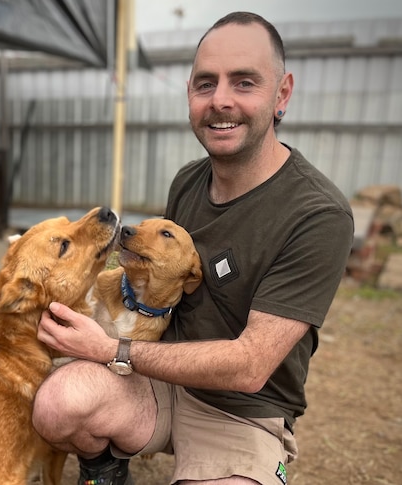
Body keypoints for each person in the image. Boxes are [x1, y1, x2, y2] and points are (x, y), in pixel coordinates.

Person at [32, 11, 353, 485]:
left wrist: (111, 350)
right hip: (160, 383)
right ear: (190, 93)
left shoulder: (317, 215)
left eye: (244, 82)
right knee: (57, 405)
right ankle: (104, 469)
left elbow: (249, 367)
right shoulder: (189, 180)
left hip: (243, 411)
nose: (220, 100)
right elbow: (147, 282)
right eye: (206, 84)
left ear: (281, 94)